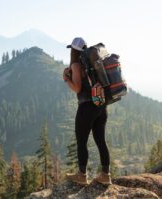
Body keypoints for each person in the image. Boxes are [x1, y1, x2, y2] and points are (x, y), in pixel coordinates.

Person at [63, 37, 112, 185]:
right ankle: (105, 175)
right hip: (100, 104)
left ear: (73, 50)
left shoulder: (77, 65)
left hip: (86, 107)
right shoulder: (91, 63)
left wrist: (66, 78)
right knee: (101, 141)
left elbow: (77, 88)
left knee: (81, 141)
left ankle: (82, 175)